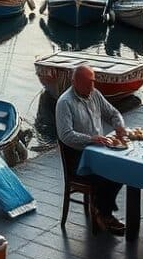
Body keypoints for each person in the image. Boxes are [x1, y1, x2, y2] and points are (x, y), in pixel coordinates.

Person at [55, 64, 128, 235]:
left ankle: (101, 208)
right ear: (75, 82)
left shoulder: (95, 94)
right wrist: (91, 139)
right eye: (88, 83)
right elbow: (66, 135)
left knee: (124, 168)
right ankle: (104, 213)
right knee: (111, 173)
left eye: (93, 82)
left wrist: (119, 127)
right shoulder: (65, 103)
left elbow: (113, 113)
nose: (92, 86)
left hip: (99, 151)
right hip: (78, 156)